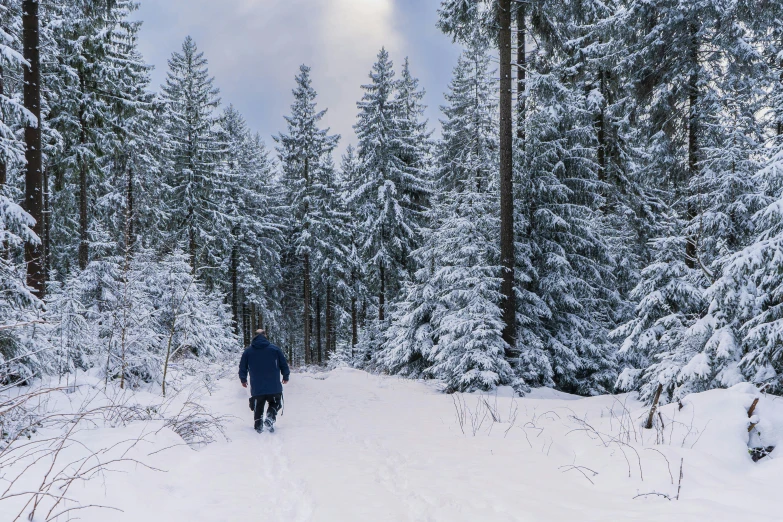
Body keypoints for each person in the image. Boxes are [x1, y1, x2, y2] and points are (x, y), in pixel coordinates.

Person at [238, 329, 290, 433]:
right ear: (265, 335)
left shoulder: (248, 351)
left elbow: (242, 367)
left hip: (257, 386)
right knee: (276, 403)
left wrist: (243, 379)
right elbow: (283, 364)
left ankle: (258, 427)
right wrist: (285, 376)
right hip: (274, 385)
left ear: (255, 336)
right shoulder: (275, 349)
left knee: (258, 406)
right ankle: (270, 417)